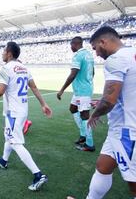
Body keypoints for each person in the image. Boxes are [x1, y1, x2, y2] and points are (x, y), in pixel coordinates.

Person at [0, 42, 52, 191]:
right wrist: (43, 104)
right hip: (21, 110)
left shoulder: (6, 69)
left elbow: (1, 91)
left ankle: (38, 174)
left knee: (15, 143)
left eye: (4, 51)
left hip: (13, 112)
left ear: (9, 53)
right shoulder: (24, 68)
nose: (2, 53)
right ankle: (4, 160)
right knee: (9, 136)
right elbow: (34, 87)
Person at [83, 26, 136, 198]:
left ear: (103, 42)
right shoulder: (132, 53)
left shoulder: (115, 59)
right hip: (120, 128)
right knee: (103, 166)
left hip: (127, 130)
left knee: (133, 182)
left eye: (95, 48)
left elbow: (109, 100)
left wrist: (95, 113)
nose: (96, 54)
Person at [57, 36, 95, 151]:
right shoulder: (89, 54)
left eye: (71, 45)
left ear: (75, 44)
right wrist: (87, 82)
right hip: (82, 89)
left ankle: (90, 144)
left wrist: (62, 89)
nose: (71, 47)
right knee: (73, 109)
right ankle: (83, 135)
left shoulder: (78, 56)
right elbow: (93, 72)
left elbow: (73, 74)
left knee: (84, 115)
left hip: (82, 91)